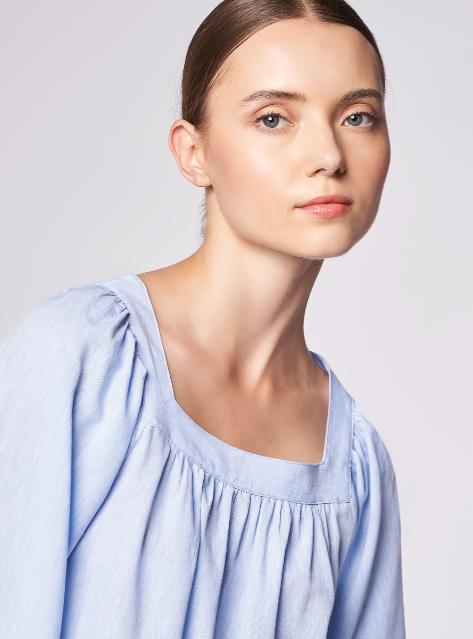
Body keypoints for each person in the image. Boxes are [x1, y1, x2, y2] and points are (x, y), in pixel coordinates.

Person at [0, 1, 406, 637]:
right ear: (194, 154)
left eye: (357, 116)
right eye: (274, 118)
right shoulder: (84, 355)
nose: (328, 154)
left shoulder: (354, 464)